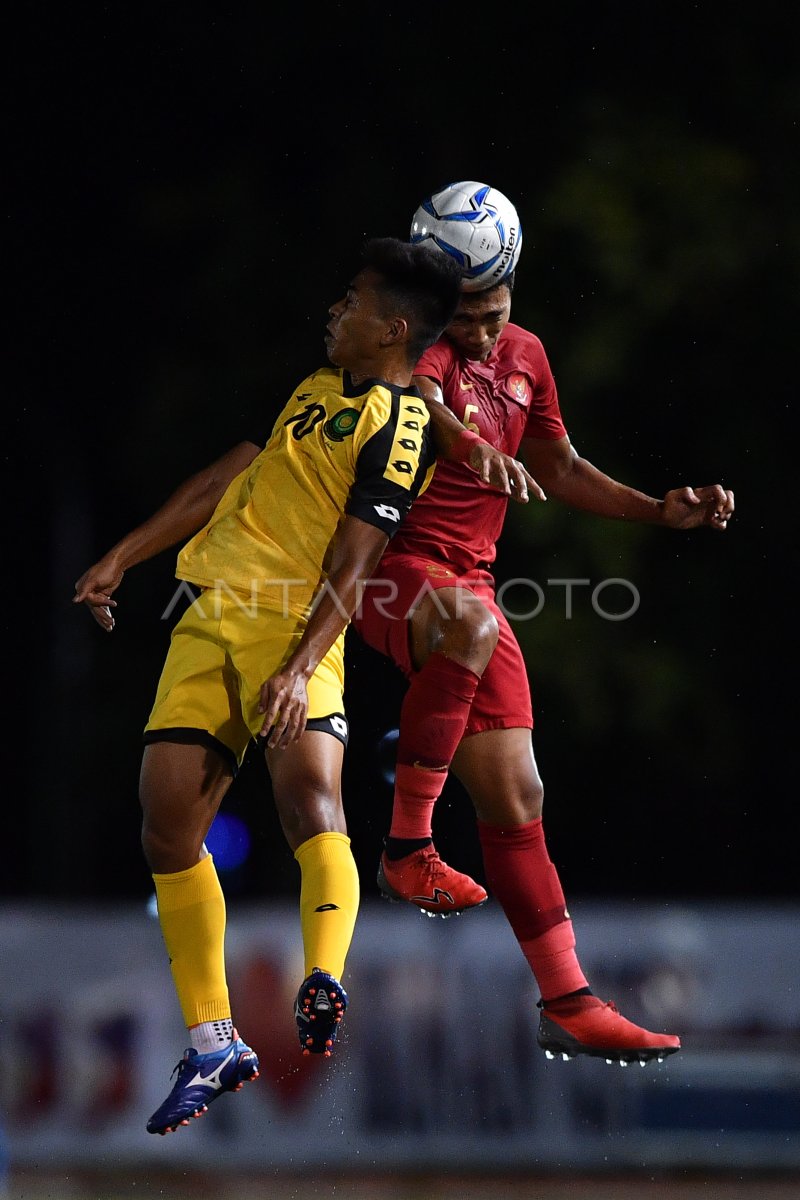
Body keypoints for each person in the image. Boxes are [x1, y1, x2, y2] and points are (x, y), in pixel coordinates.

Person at [73, 236, 463, 1134]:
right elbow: (230, 474)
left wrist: (298, 666)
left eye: (353, 302)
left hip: (294, 622)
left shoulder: (398, 427)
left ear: (392, 329)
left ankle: (324, 974)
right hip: (209, 612)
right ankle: (215, 1042)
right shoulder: (314, 390)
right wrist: (124, 556)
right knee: (167, 827)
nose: (335, 311)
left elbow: (359, 559)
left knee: (307, 805)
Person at [350, 191, 735, 1066]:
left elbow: (556, 463)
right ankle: (407, 841)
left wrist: (656, 511)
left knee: (520, 797)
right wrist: (465, 445)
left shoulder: (525, 356)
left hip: (470, 587)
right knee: (466, 628)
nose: (483, 333)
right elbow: (421, 406)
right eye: (466, 316)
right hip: (382, 568)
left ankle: (566, 999)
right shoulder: (407, 340)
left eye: (495, 311)